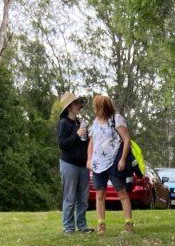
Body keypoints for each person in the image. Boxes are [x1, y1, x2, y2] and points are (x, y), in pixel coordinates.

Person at [85, 94, 133, 233]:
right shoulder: (96, 122)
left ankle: (128, 223)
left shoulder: (116, 119)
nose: (94, 108)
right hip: (98, 164)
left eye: (96, 106)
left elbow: (126, 139)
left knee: (121, 192)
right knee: (99, 194)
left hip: (114, 162)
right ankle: (101, 225)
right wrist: (89, 159)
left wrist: (123, 159)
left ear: (102, 107)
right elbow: (92, 142)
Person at [56, 92, 93, 234]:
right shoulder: (63, 123)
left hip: (83, 165)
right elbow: (62, 144)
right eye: (77, 103)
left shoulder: (79, 123)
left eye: (80, 103)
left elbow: (84, 143)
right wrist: (77, 135)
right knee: (70, 197)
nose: (80, 106)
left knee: (83, 199)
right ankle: (68, 227)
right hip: (69, 164)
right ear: (69, 106)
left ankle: (82, 226)